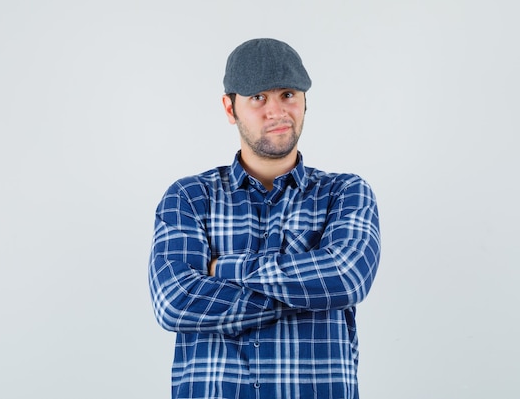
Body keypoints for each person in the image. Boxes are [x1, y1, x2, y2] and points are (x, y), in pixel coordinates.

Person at [148, 38, 381, 399]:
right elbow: (174, 301)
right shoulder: (189, 198)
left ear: (305, 101)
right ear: (230, 108)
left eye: (288, 94)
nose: (277, 111)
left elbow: (347, 278)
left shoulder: (345, 193)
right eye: (258, 97)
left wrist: (224, 269)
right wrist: (308, 293)